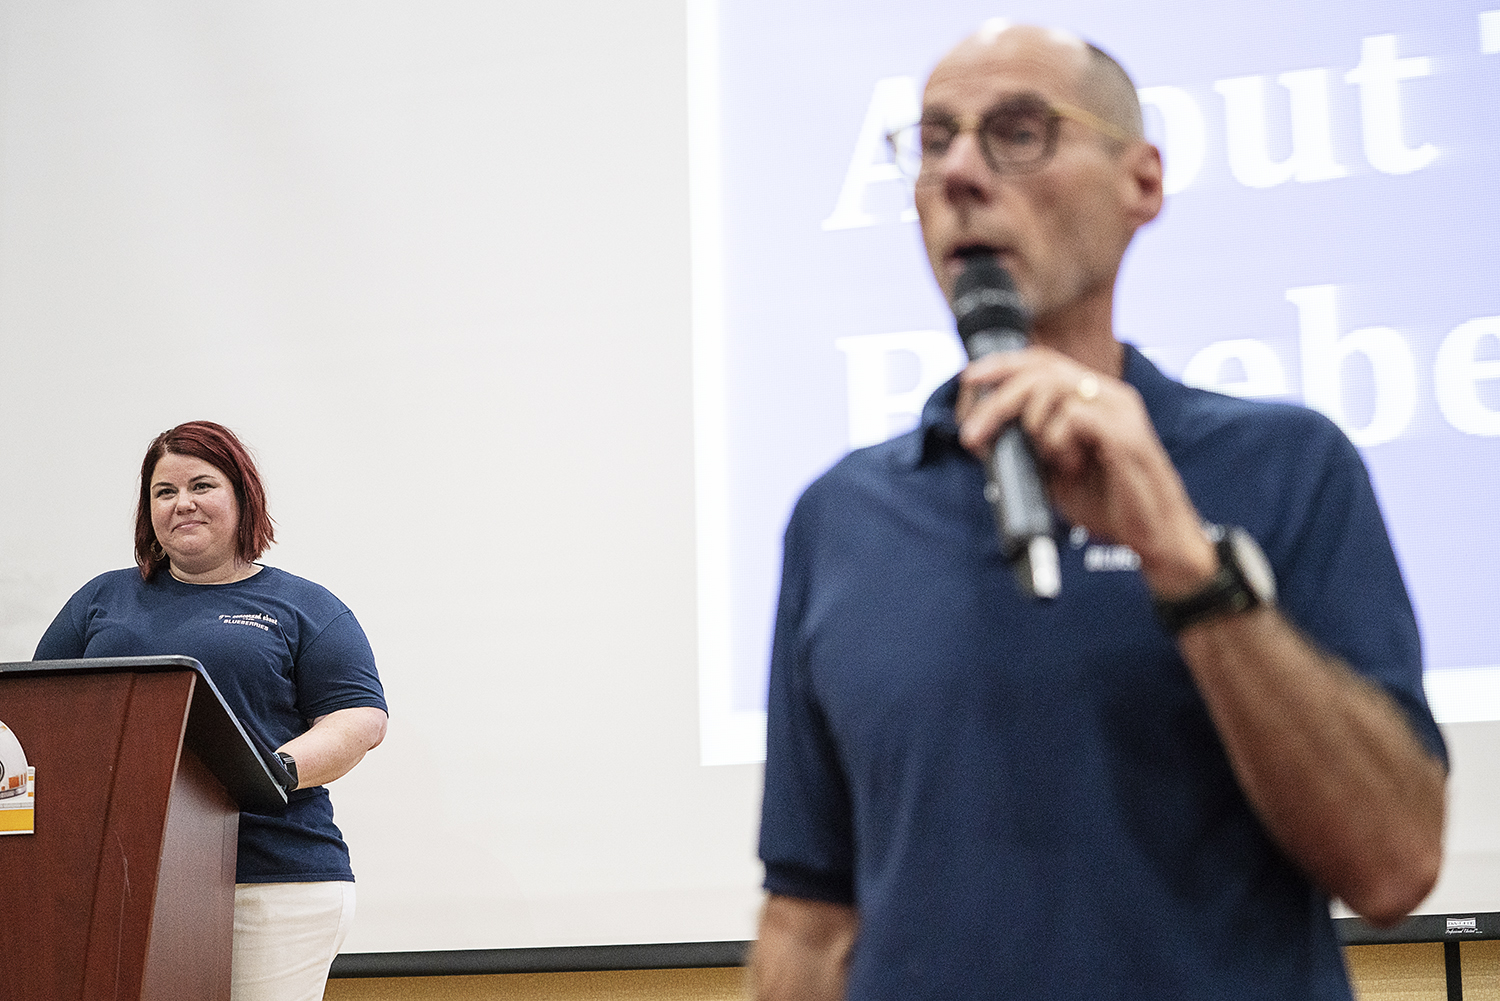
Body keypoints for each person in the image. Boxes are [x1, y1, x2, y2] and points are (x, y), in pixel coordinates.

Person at [753, 23, 1448, 1001]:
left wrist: (1186, 563)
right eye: (934, 138)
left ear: (1143, 181)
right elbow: (809, 914)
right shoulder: (841, 519)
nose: (958, 173)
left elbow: (1394, 863)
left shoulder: (1289, 465)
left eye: (1018, 131)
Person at [34, 420, 388, 1001]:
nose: (183, 504)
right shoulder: (101, 599)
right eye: (164, 492)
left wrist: (268, 768)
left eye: (202, 485)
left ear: (242, 497)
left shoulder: (303, 605)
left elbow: (358, 720)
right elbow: (41, 716)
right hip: (120, 881)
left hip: (270, 876)